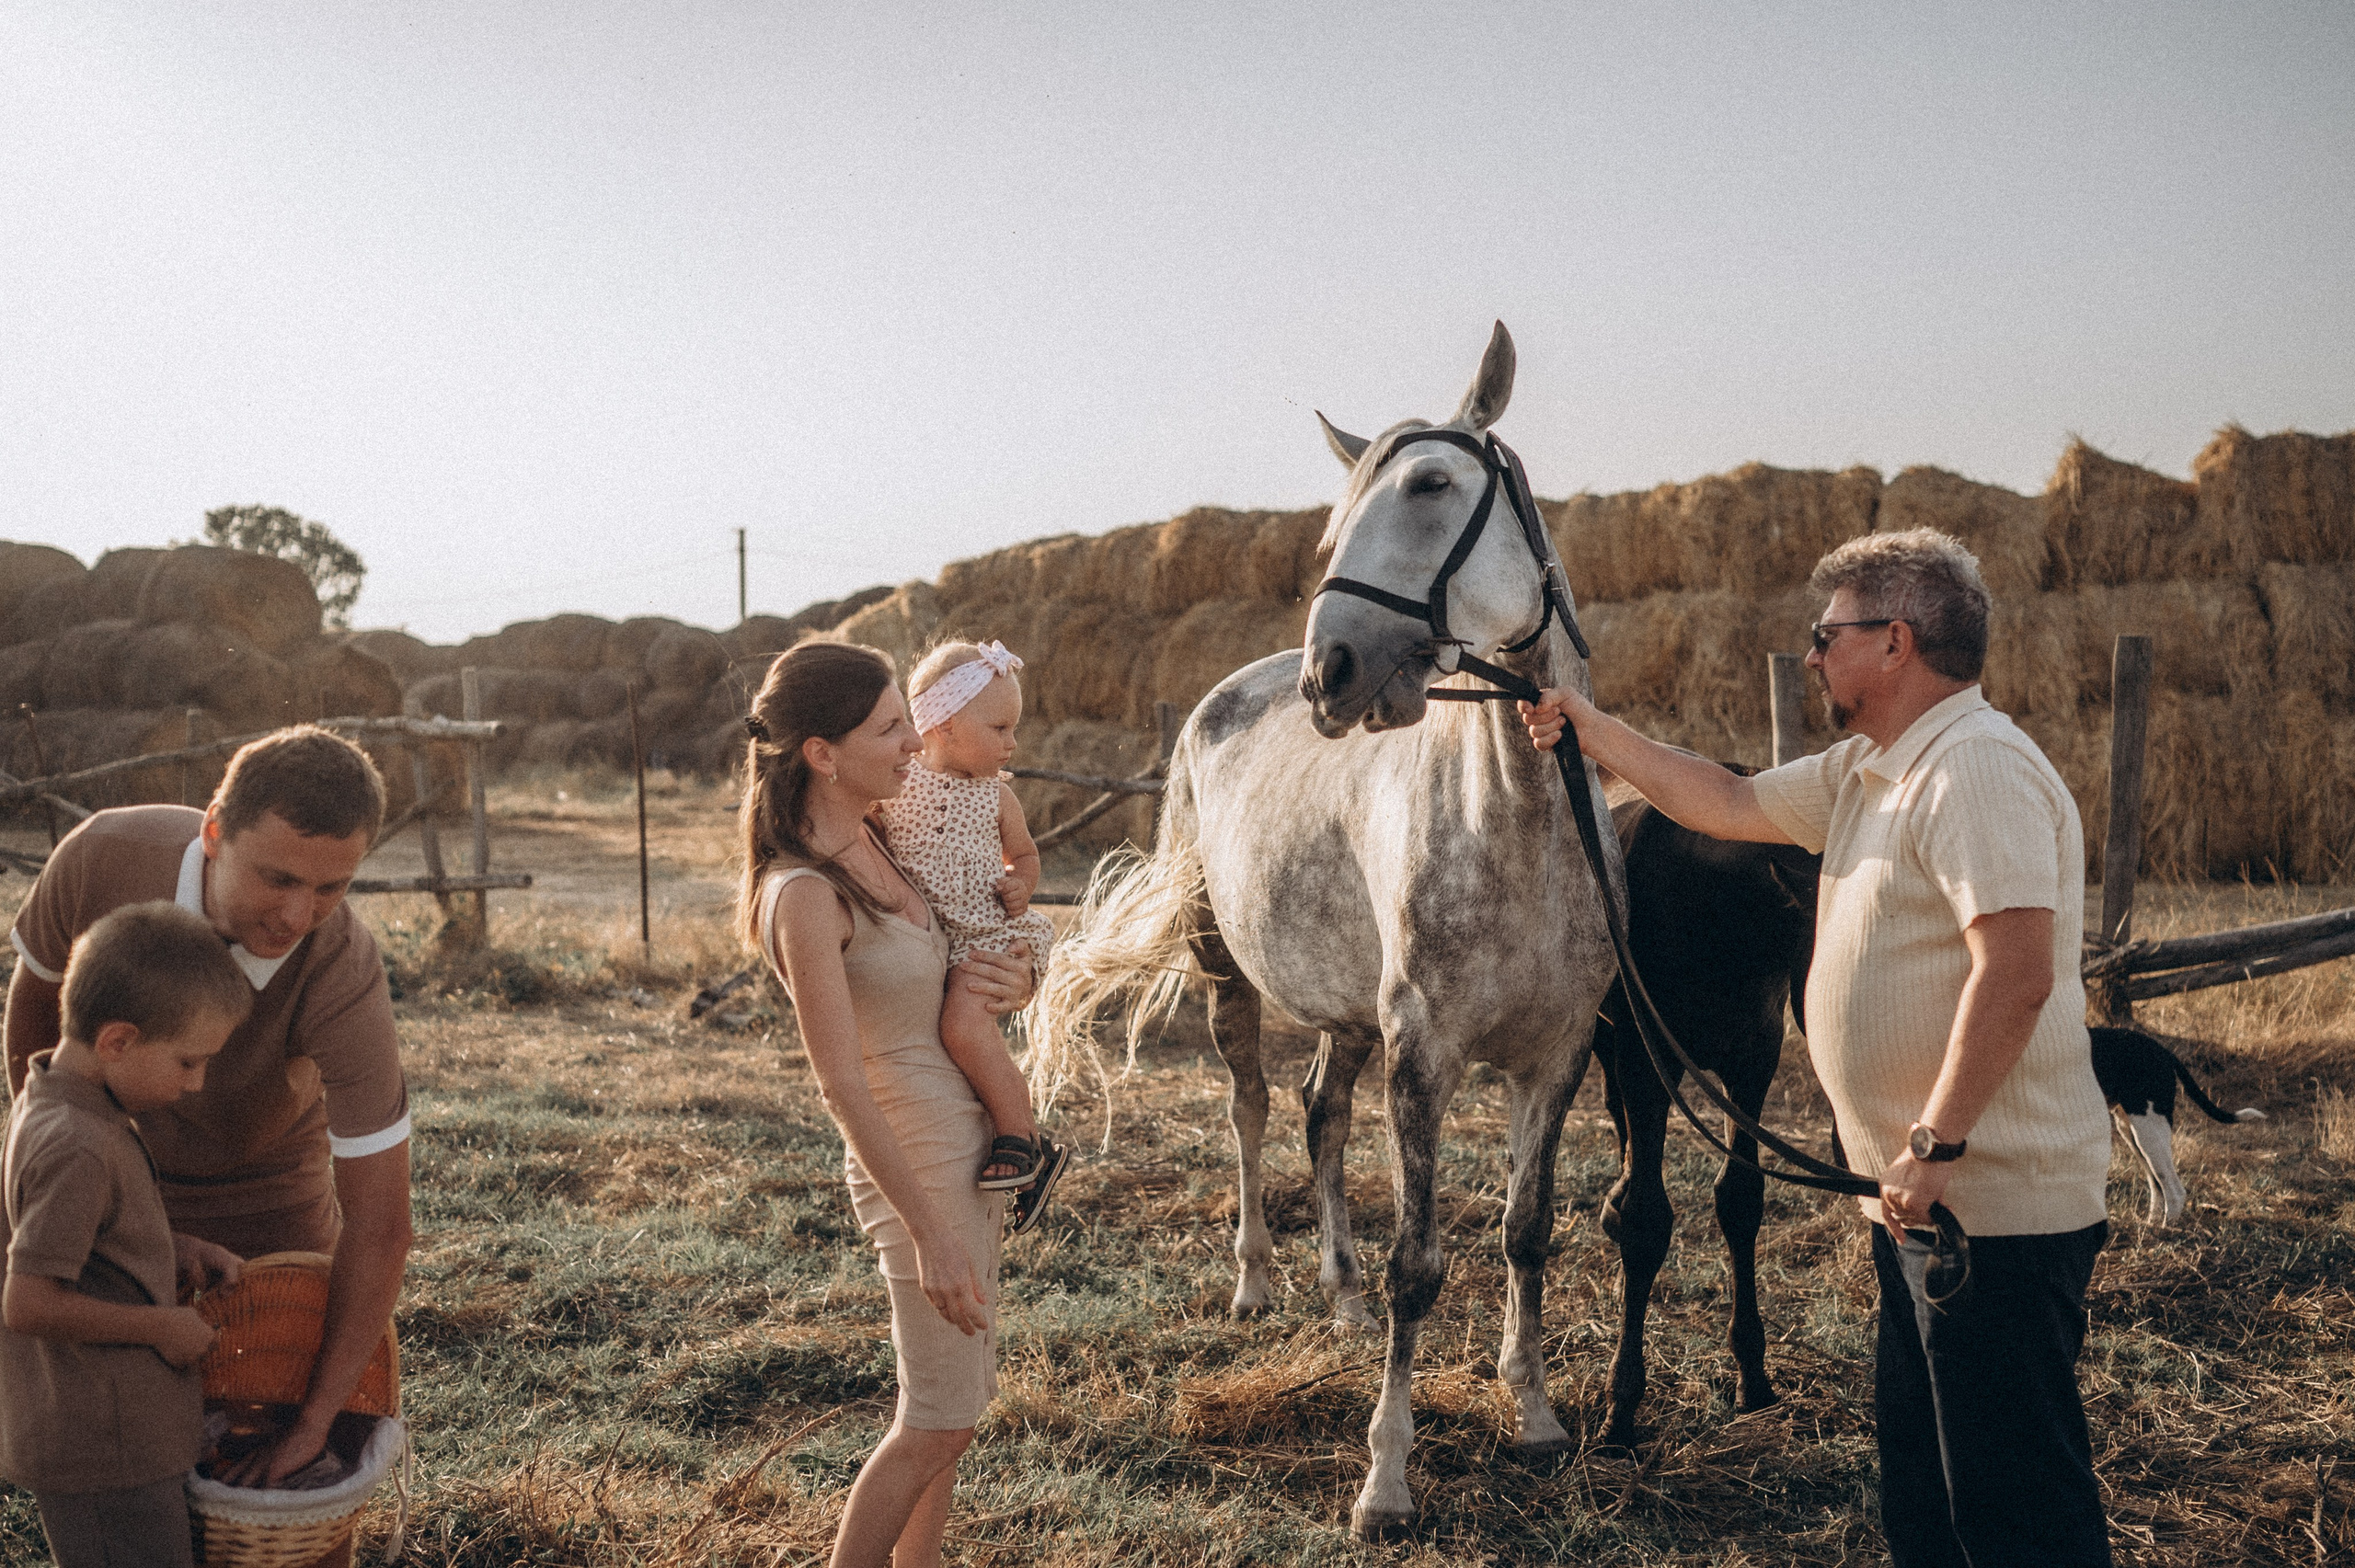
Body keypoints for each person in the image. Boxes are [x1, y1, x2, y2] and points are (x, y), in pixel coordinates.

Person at [1523, 528, 2113, 1567]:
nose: (1808, 653)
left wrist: (1932, 1146)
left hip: (1990, 1215)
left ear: (1893, 643)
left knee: (2016, 1509)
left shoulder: (1973, 771)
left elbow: (2015, 972)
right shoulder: (1867, 771)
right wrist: (1587, 727)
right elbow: (1721, 797)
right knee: (1930, 1500)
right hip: (1922, 1212)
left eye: (1824, 633)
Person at [5, 726, 416, 1491]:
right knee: (105, 1453)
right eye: (279, 877)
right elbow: (34, 1005)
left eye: (331, 888)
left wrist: (316, 1424)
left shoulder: (340, 970)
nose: (299, 914)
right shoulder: (102, 857)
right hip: (101, 1177)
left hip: (264, 1203)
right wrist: (69, 1177)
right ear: (215, 829)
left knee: (277, 1471)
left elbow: (383, 1223)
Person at [737, 640, 1039, 1568]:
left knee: (957, 1405)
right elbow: (840, 1085)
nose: (914, 741)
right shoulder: (801, 894)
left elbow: (959, 957)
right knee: (937, 1421)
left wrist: (1010, 980)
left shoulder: (883, 837)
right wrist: (931, 1234)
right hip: (915, 1167)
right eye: (889, 727)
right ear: (823, 752)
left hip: (966, 1147)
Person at [2, 902, 253, 1568]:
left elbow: (87, 1233)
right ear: (118, 1040)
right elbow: (28, 1302)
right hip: (101, 1449)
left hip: (119, 1434)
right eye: (187, 1061)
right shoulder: (78, 1146)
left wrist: (178, 1246)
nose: (195, 1083)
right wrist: (160, 1327)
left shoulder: (64, 1098)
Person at [877, 639, 1068, 1205]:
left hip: (986, 938)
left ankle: (1021, 1138)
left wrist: (1020, 886)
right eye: (1000, 728)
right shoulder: (894, 788)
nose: (1013, 742)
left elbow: (1025, 857)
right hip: (935, 938)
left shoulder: (997, 800)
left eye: (1014, 728)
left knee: (963, 1028)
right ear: (946, 724)